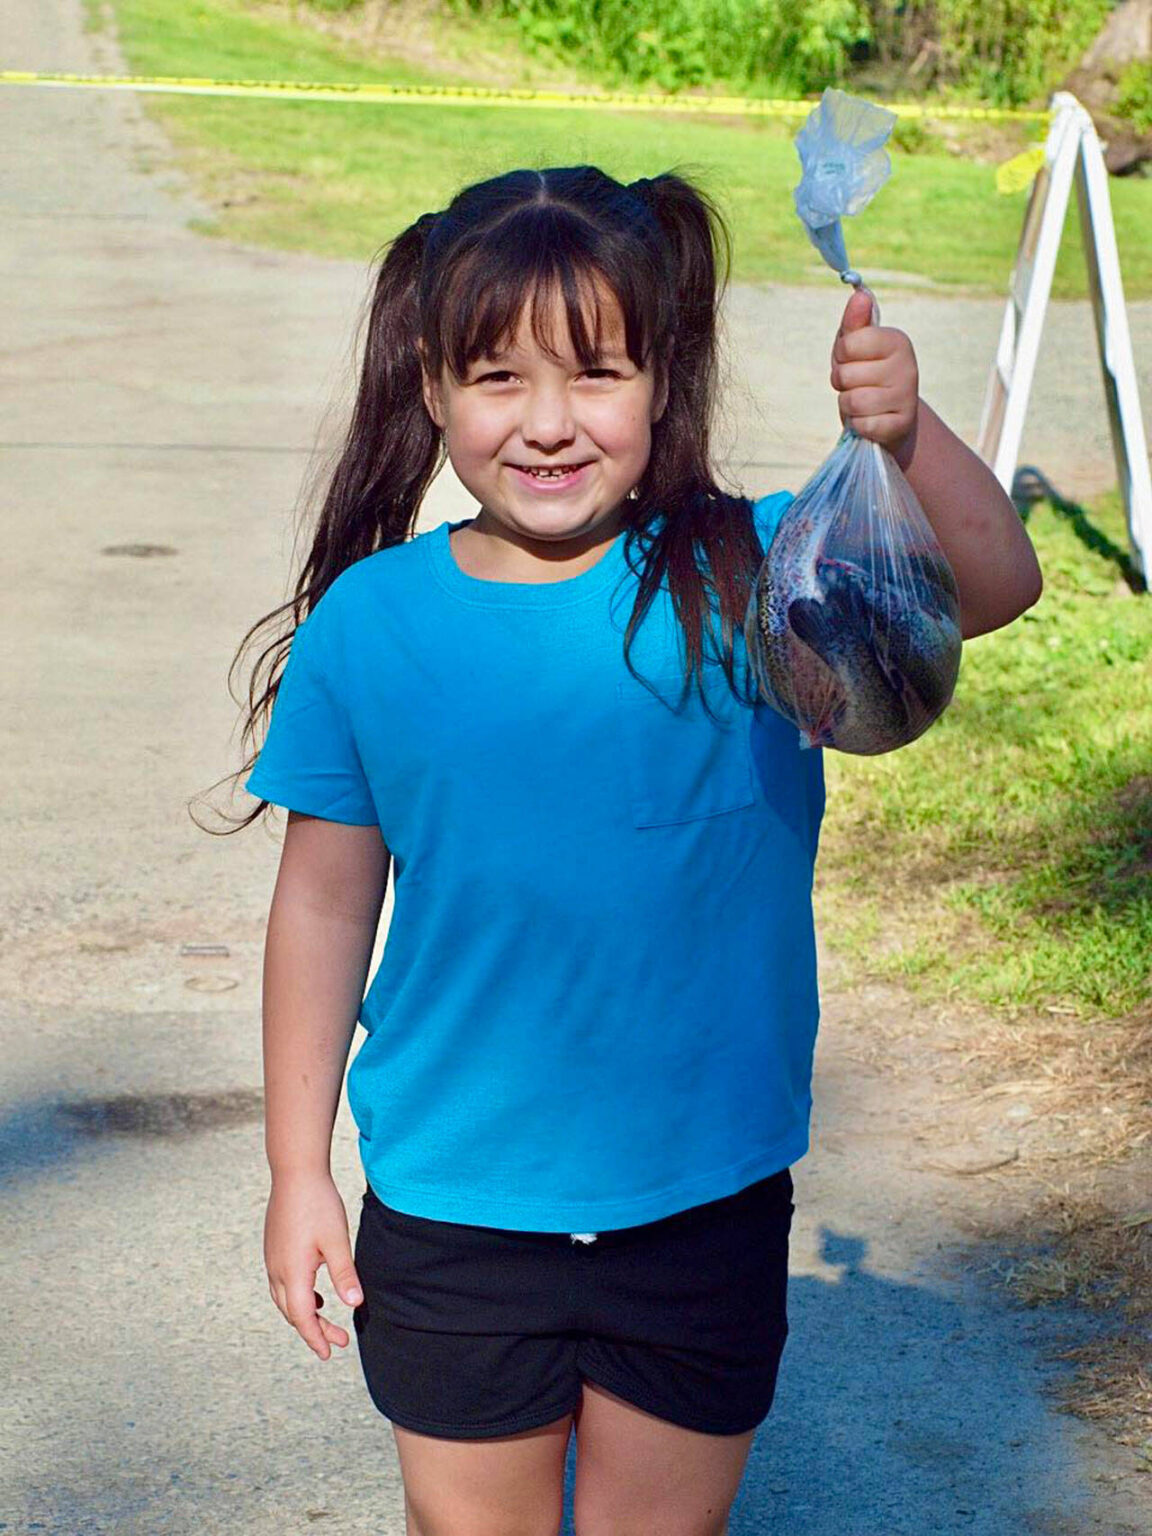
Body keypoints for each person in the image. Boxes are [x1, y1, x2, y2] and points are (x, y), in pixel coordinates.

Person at [231, 164, 1042, 1536]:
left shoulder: (765, 571)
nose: (548, 424)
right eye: (498, 378)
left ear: (663, 381)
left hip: (702, 1200)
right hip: (456, 1208)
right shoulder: (372, 626)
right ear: (431, 389)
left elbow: (998, 584)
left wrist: (902, 441)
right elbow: (320, 909)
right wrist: (299, 1174)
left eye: (596, 374)